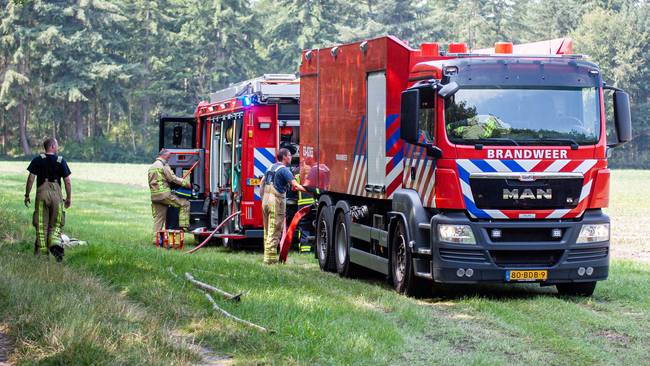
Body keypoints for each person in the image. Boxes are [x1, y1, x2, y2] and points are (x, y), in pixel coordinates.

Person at [24, 137, 72, 257]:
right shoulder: (61, 161)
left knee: (41, 225)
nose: (57, 147)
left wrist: (27, 195)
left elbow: (30, 179)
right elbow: (67, 182)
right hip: (57, 196)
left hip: (42, 195)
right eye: (56, 145)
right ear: (52, 146)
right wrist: (69, 198)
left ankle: (41, 254)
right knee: (56, 224)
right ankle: (55, 246)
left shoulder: (37, 160)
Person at [259, 148, 306, 264]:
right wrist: (310, 191)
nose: (291, 157)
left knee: (267, 231)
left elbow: (261, 184)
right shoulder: (284, 170)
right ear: (284, 157)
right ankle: (270, 261)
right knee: (275, 230)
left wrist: (263, 198)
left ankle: (267, 257)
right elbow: (295, 185)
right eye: (289, 155)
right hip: (276, 202)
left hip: (265, 201)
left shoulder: (270, 167)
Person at [148, 149, 191, 243]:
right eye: (168, 157)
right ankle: (184, 225)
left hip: (155, 196)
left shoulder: (152, 166)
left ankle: (155, 240)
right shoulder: (163, 165)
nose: (169, 158)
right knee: (185, 203)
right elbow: (172, 178)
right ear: (164, 156)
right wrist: (185, 183)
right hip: (164, 194)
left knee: (159, 218)